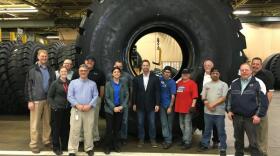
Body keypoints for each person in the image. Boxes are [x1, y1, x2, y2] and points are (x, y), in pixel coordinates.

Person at [227, 63, 269, 156]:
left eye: (246, 70)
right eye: (242, 70)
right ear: (240, 71)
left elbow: (263, 101)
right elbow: (229, 97)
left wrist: (258, 115)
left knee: (254, 142)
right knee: (238, 141)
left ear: (251, 71)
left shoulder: (258, 83)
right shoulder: (234, 83)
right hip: (237, 117)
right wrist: (229, 110)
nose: (244, 72)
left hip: (251, 118)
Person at [25, 49, 56, 154]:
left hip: (48, 100)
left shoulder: (50, 69)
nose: (44, 58)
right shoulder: (32, 69)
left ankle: (46, 141)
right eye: (42, 56)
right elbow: (28, 85)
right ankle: (34, 144)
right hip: (36, 100)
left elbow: (53, 84)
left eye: (46, 56)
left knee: (47, 122)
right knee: (35, 123)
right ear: (38, 57)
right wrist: (30, 100)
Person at [72, 55, 105, 146]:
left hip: (94, 101)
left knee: (93, 121)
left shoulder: (99, 73)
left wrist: (99, 99)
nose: (89, 62)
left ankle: (95, 138)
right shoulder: (77, 72)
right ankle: (82, 138)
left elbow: (102, 87)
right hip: (80, 102)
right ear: (85, 61)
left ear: (94, 62)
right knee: (81, 121)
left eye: (91, 61)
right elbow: (73, 86)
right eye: (87, 60)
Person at [67, 64, 99, 156]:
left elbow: (95, 96)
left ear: (88, 72)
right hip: (76, 110)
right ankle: (72, 150)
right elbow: (69, 96)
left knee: (88, 130)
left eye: (85, 70)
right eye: (81, 70)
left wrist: (89, 105)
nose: (83, 72)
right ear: (79, 72)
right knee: (74, 130)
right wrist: (77, 105)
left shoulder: (92, 83)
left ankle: (89, 148)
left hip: (89, 110)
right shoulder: (73, 83)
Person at [198, 68, 228, 156]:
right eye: (213, 73)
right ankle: (205, 145)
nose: (215, 74)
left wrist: (212, 105)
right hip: (207, 113)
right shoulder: (206, 85)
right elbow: (203, 97)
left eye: (217, 73)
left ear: (219, 74)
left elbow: (223, 98)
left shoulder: (223, 85)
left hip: (219, 113)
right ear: (210, 74)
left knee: (221, 131)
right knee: (207, 130)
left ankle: (223, 147)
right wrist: (208, 105)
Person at [132, 59, 160, 148]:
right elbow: (134, 92)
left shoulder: (155, 78)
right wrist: (134, 103)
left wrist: (157, 104)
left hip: (151, 105)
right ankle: (141, 139)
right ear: (141, 66)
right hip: (140, 105)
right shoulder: (137, 78)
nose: (145, 67)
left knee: (152, 123)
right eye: (143, 65)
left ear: (149, 66)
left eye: (147, 65)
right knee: (140, 123)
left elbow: (157, 92)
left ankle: (153, 139)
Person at [251, 57, 274, 156]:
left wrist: (264, 109)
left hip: (260, 108)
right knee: (252, 130)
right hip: (250, 108)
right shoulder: (249, 74)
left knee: (262, 131)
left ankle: (263, 152)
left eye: (257, 64)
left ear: (261, 65)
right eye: (254, 64)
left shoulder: (266, 75)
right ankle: (254, 147)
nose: (255, 66)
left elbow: (270, 93)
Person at [106, 60, 133, 145]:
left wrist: (130, 101)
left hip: (123, 104)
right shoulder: (109, 76)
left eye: (120, 66)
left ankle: (123, 138)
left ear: (122, 67)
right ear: (114, 66)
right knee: (113, 123)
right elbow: (107, 92)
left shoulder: (128, 76)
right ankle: (113, 139)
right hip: (112, 105)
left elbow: (130, 89)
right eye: (117, 66)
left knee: (124, 121)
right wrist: (112, 106)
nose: (118, 68)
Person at [195, 58, 220, 148]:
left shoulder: (217, 76)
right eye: (206, 65)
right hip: (202, 104)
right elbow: (197, 89)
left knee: (215, 123)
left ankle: (216, 140)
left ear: (212, 66)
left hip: (215, 103)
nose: (207, 67)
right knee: (204, 123)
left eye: (209, 65)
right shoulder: (200, 76)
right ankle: (205, 140)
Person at [104, 67, 129, 154]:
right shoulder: (108, 84)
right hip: (110, 109)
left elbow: (127, 95)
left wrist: (122, 106)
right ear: (112, 74)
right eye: (115, 72)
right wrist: (113, 107)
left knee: (117, 129)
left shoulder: (123, 83)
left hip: (120, 109)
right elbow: (106, 97)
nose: (117, 73)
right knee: (109, 128)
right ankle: (107, 146)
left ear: (120, 74)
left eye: (118, 72)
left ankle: (115, 145)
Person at [48, 66, 70, 155]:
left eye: (65, 71)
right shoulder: (55, 83)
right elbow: (49, 97)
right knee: (56, 128)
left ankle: (64, 145)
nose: (64, 73)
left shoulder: (70, 83)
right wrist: (54, 106)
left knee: (65, 128)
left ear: (67, 72)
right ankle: (56, 147)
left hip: (67, 109)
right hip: (57, 109)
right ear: (59, 73)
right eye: (62, 71)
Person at [175, 68, 198, 150]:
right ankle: (185, 139)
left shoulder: (192, 84)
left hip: (188, 108)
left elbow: (195, 97)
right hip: (179, 108)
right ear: (181, 75)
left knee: (187, 125)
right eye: (183, 73)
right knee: (181, 125)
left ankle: (187, 142)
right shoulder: (179, 83)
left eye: (186, 73)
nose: (185, 75)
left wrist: (192, 106)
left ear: (189, 75)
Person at [159, 66, 176, 149]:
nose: (166, 73)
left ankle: (168, 141)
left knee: (169, 124)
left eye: (168, 72)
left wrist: (170, 107)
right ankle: (166, 139)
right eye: (165, 72)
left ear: (170, 74)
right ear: (163, 72)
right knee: (164, 124)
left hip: (169, 106)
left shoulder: (172, 82)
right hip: (161, 106)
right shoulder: (160, 80)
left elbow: (173, 96)